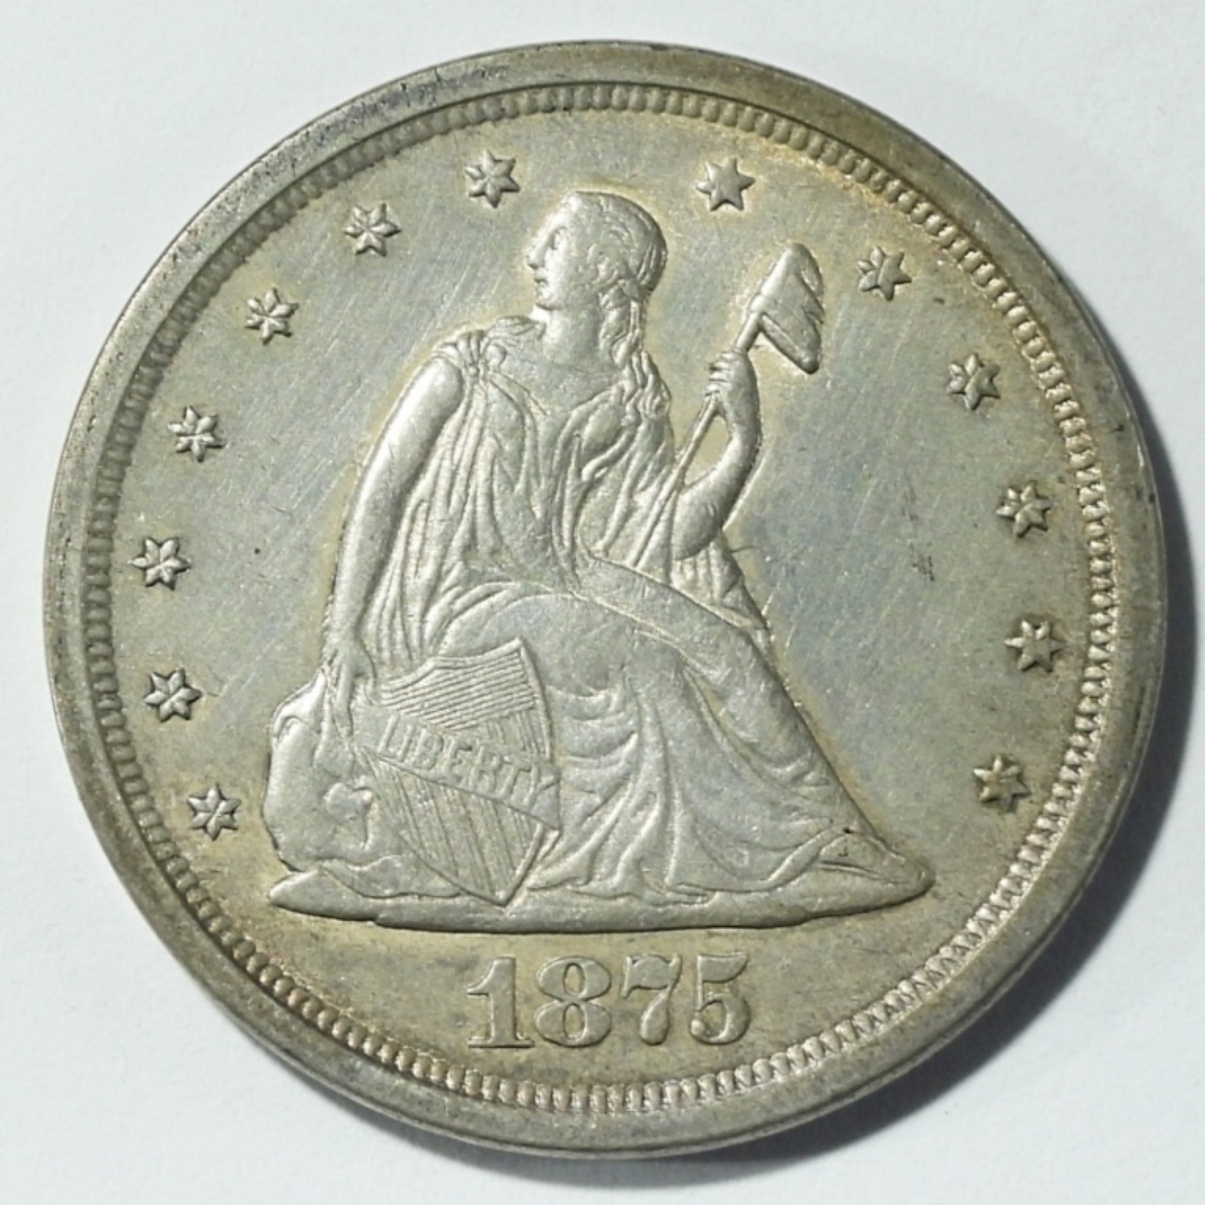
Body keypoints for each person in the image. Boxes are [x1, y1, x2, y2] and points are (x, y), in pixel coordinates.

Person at [263, 190, 930, 930]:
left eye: (557, 240)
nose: (535, 255)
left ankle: (830, 841)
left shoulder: (629, 391)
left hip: (564, 576)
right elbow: (381, 490)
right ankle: (733, 854)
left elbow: (667, 537)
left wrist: (741, 442)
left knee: (727, 651)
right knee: (639, 656)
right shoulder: (473, 363)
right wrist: (344, 627)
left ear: (604, 269)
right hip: (452, 595)